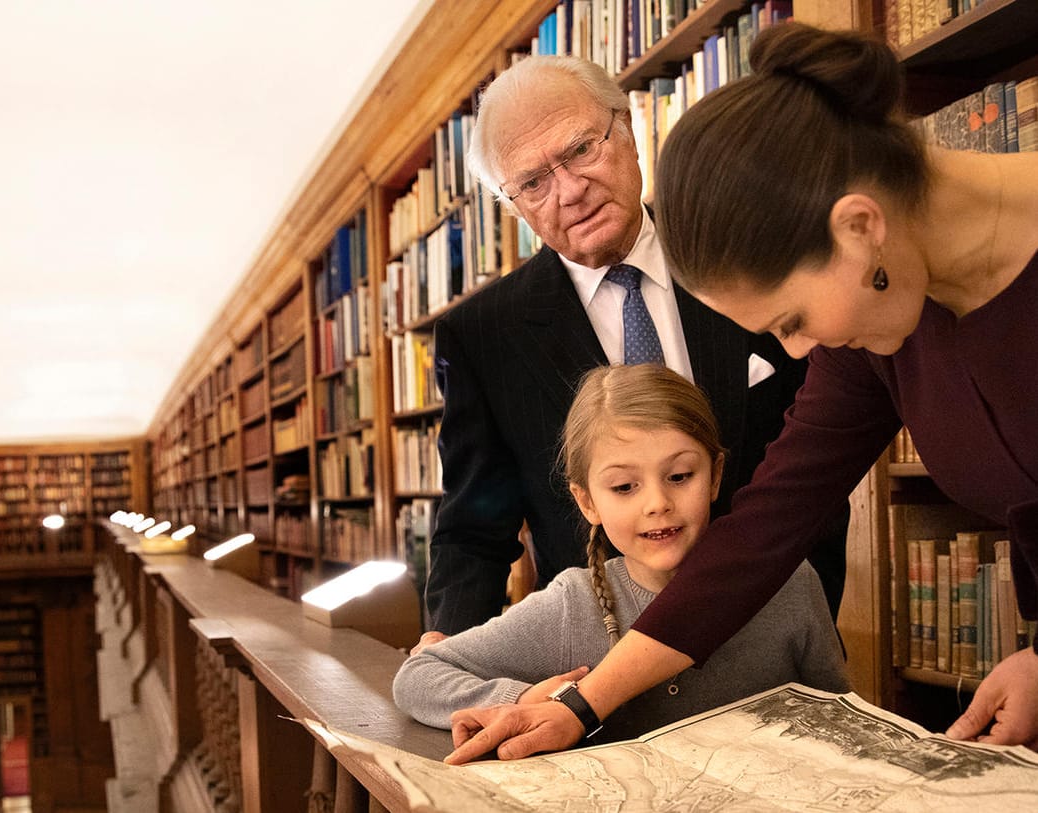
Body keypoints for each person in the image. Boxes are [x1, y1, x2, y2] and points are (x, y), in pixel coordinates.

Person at [444, 23, 1038, 765]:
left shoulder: (877, 306)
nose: (794, 352)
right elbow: (761, 528)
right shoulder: (877, 325)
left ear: (858, 227)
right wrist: (581, 702)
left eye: (789, 321)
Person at [424, 54, 849, 643]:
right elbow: (475, 527)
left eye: (580, 151)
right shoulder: (483, 336)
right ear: (512, 205)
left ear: (626, 128)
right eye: (533, 182)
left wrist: (804, 612)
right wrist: (447, 648)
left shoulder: (740, 250)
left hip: (769, 633)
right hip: (597, 658)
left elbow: (816, 474)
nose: (570, 191)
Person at [394, 364, 848, 743]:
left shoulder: (790, 583)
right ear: (587, 500)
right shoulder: (573, 604)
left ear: (715, 476)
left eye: (680, 476)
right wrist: (519, 700)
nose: (656, 503)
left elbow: (839, 716)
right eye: (624, 486)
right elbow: (420, 674)